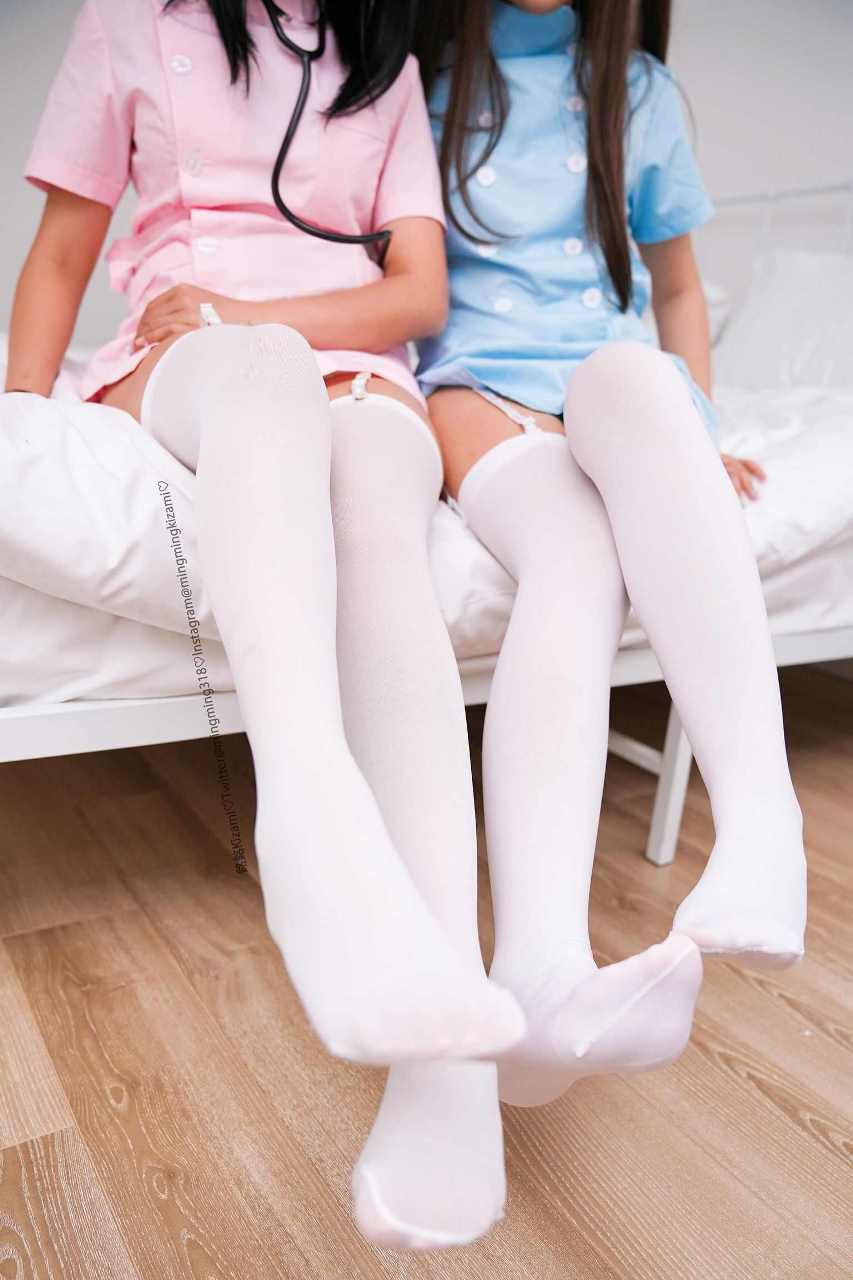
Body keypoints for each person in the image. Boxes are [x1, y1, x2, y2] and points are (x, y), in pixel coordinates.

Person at [5, 0, 529, 1215]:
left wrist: (258, 314)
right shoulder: (127, 20)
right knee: (261, 371)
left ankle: (449, 1070)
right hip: (191, 357)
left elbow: (415, 294)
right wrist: (22, 421)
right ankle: (307, 811)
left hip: (354, 362)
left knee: (383, 532)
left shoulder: (385, 58)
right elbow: (65, 253)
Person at [349, 0, 807, 1249]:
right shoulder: (417, 89)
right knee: (577, 557)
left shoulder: (637, 94)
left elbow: (676, 286)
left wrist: (698, 432)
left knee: (638, 379)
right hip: (476, 388)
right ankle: (541, 960)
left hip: (605, 381)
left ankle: (761, 823)